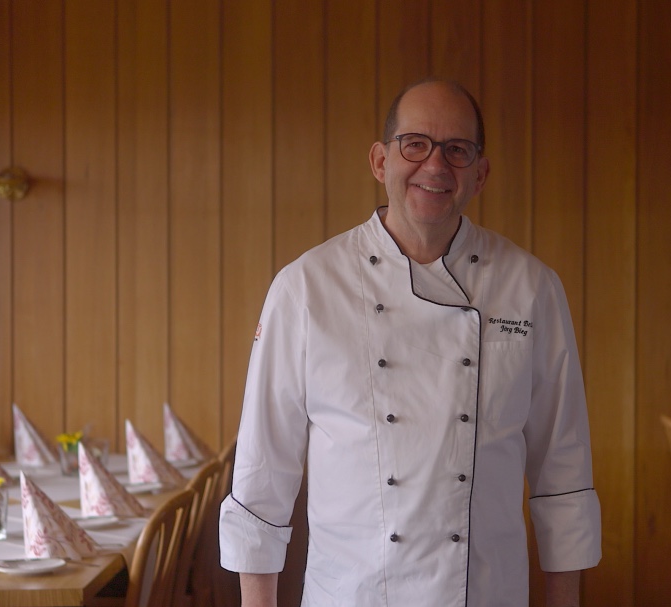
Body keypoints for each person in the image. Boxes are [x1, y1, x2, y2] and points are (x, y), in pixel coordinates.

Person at [218, 79, 601, 607]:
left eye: (457, 150)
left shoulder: (531, 288)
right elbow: (264, 475)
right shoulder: (306, 287)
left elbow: (563, 474)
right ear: (380, 161)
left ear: (480, 174)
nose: (436, 166)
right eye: (414, 144)